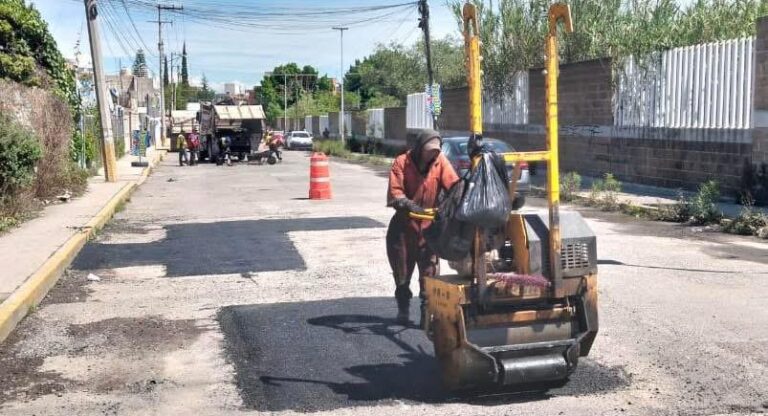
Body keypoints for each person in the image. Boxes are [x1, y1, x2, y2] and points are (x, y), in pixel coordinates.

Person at [386, 129, 459, 325]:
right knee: (402, 274)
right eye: (429, 151)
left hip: (429, 229)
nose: (432, 154)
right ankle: (403, 309)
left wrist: (456, 199)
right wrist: (408, 204)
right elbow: (395, 192)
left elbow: (453, 185)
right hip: (403, 229)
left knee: (429, 274)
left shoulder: (440, 162)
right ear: (419, 149)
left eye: (435, 151)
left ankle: (426, 314)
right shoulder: (402, 162)